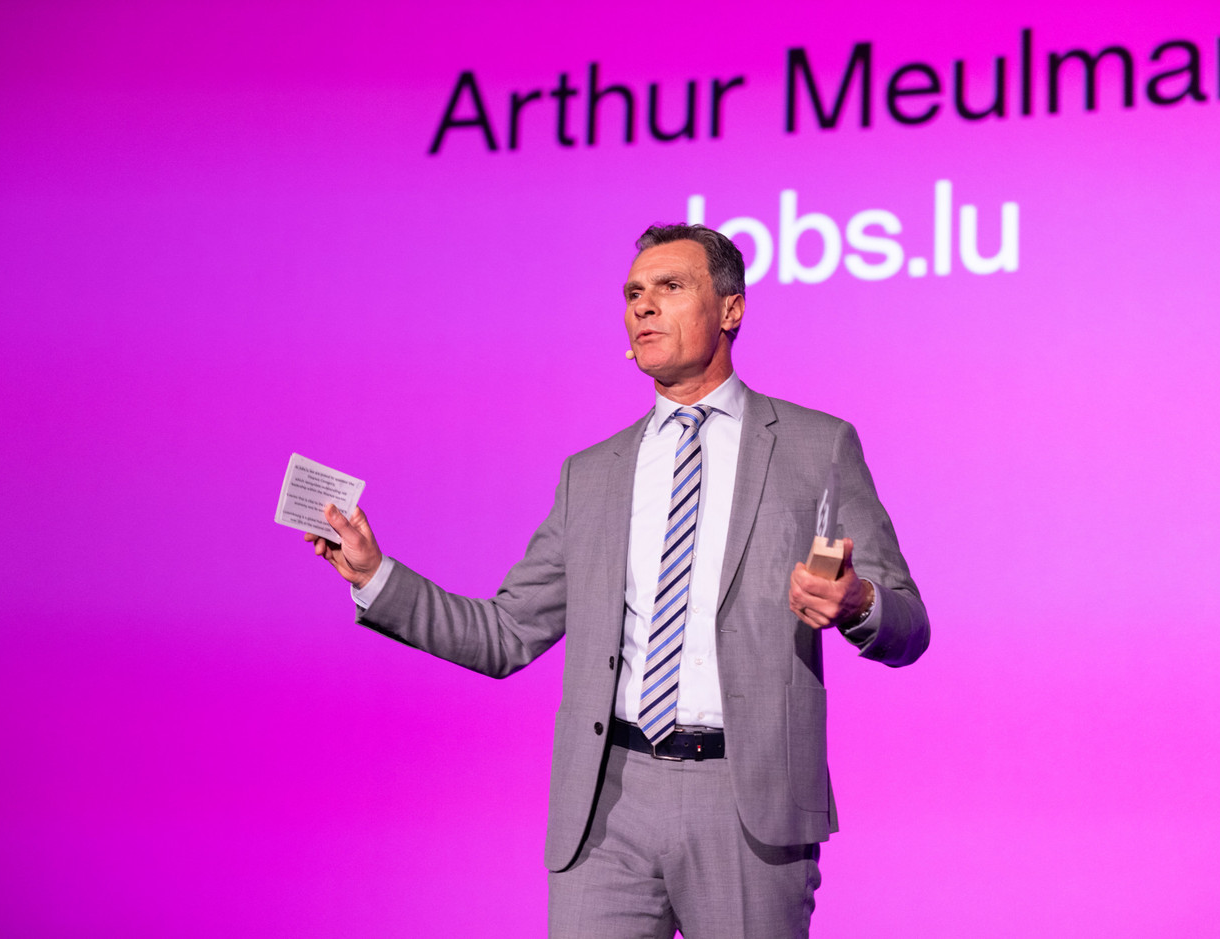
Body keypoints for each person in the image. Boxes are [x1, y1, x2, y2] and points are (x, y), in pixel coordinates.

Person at [306, 223, 929, 938]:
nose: (644, 306)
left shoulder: (817, 445)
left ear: (732, 309)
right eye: (634, 292)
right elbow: (505, 633)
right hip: (607, 809)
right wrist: (375, 575)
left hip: (748, 807)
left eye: (670, 287)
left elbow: (909, 623)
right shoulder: (592, 474)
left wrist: (859, 602)